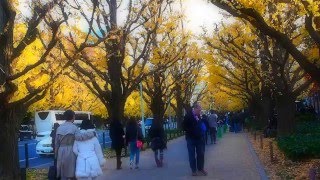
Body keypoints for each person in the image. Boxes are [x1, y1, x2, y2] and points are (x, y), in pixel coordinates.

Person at [55, 110, 95, 180]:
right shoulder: (74, 127)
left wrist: (56, 155)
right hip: (71, 150)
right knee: (72, 170)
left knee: (63, 171)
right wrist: (92, 134)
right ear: (73, 117)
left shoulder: (59, 128)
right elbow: (80, 137)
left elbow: (56, 143)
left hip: (61, 151)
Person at [183, 102, 207, 176]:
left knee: (201, 154)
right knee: (192, 155)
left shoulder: (199, 116)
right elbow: (183, 126)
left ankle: (201, 168)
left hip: (199, 138)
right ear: (195, 108)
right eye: (199, 108)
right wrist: (191, 130)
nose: (201, 109)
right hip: (191, 139)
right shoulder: (188, 116)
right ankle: (193, 170)